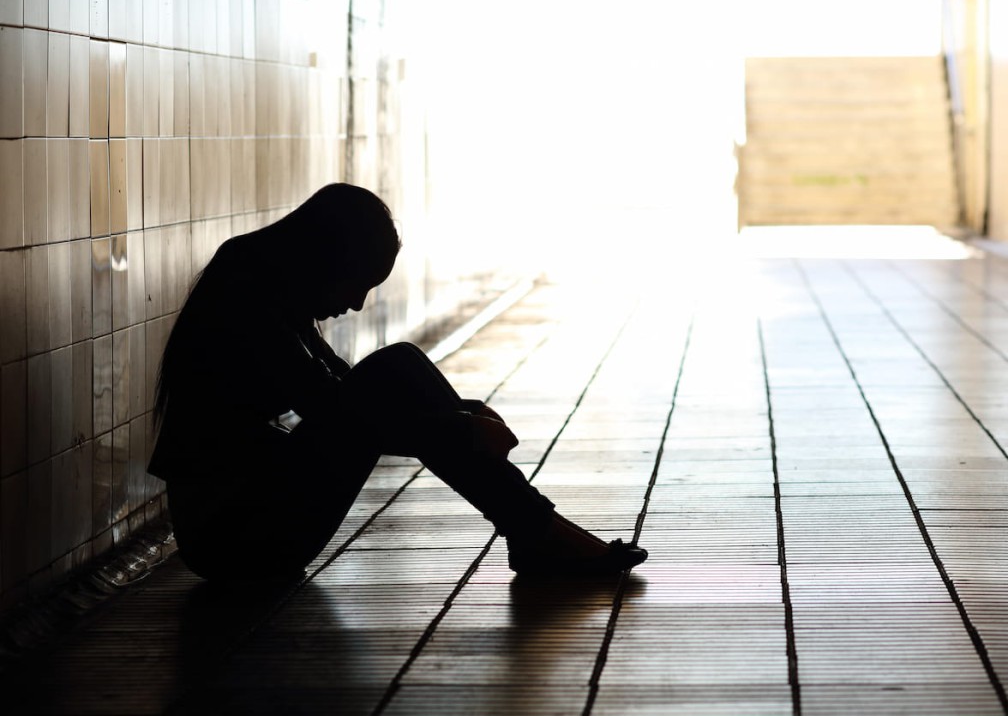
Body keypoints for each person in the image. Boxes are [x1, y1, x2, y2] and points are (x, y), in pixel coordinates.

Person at [149, 183, 647, 583]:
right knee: (394, 369)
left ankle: (535, 532)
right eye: (358, 282)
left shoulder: (266, 279)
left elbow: (344, 393)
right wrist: (462, 429)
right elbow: (338, 413)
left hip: (248, 520)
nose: (358, 304)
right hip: (232, 540)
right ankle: (537, 532)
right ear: (327, 258)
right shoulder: (248, 290)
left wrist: (463, 413)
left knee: (400, 365)